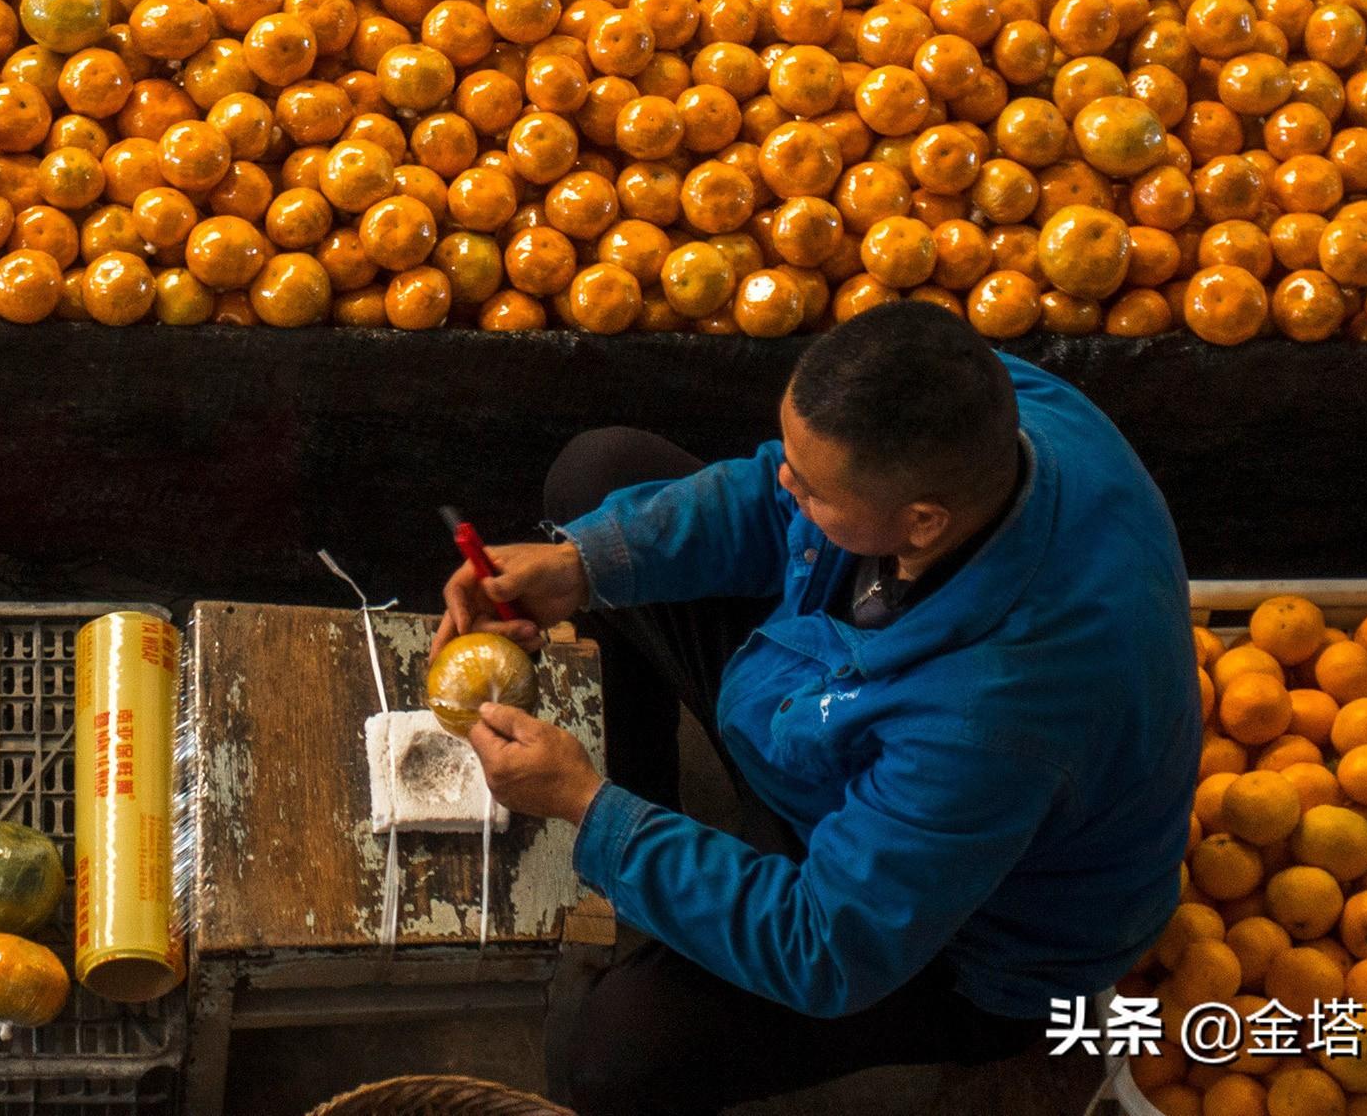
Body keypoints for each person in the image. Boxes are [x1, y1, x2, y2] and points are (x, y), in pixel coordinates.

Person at [436, 300, 1203, 1116]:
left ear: (922, 521)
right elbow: (772, 506)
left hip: (959, 944)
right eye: (794, 457)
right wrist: (584, 565)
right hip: (852, 733)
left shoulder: (989, 719)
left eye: (812, 485)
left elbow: (827, 947)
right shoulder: (1006, 409)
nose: (782, 480)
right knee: (602, 474)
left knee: (612, 1053)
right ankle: (656, 837)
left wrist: (587, 809)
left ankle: (645, 848)